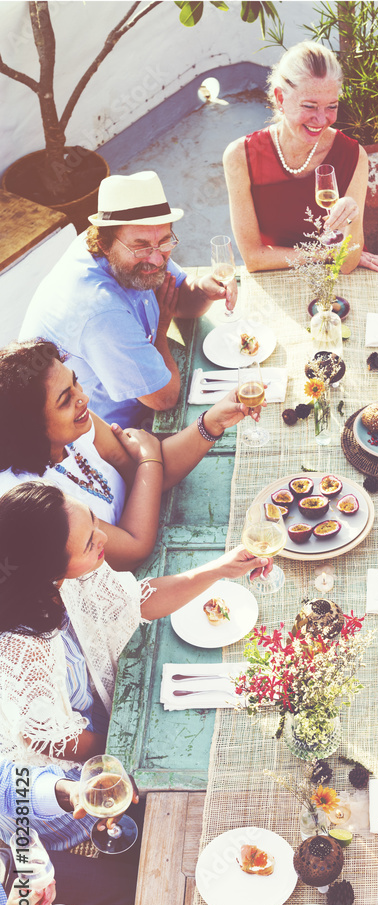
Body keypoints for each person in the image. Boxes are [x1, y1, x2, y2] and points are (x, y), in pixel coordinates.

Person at [0, 481, 273, 850]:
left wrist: (219, 570)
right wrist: (124, 763)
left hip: (100, 724)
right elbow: (49, 739)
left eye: (94, 520)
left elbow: (135, 602)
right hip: (65, 790)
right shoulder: (19, 646)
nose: (102, 538)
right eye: (88, 542)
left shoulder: (72, 573)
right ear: (47, 570)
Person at [0, 339, 261, 570]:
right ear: (30, 428)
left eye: (75, 381)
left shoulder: (76, 424)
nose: (83, 398)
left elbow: (152, 476)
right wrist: (148, 459)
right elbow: (134, 550)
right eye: (65, 400)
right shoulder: (33, 499)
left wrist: (213, 422)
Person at [19, 170, 237, 427]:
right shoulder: (99, 310)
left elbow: (176, 297)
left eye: (165, 242)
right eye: (142, 246)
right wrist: (162, 330)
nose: (156, 259)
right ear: (103, 243)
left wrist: (202, 288)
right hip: (101, 436)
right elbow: (164, 397)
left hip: (143, 398)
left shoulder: (127, 245)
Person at [223, 40, 378, 275]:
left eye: (332, 106)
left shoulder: (354, 155)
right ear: (281, 98)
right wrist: (329, 254)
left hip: (337, 279)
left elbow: (346, 264)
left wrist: (351, 217)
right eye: (310, 106)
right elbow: (253, 258)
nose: (321, 119)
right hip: (279, 277)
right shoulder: (240, 157)